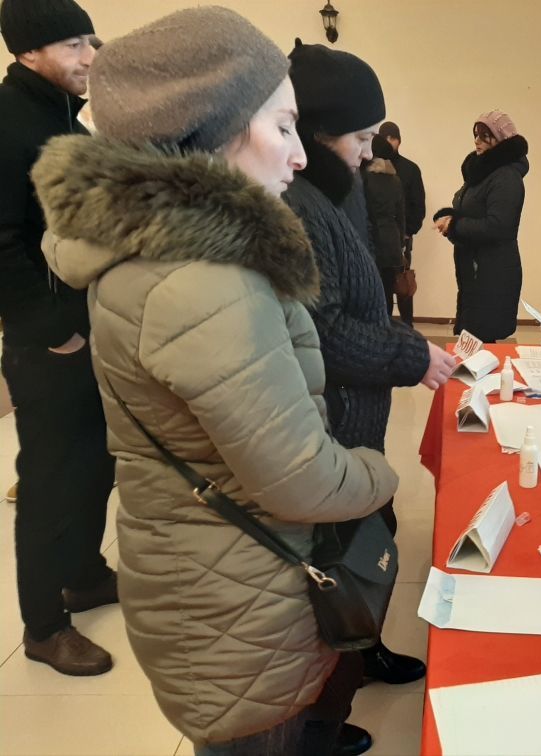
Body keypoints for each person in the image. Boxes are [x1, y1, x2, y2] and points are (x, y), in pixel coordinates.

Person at [32, 8, 399, 754]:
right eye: (284, 127)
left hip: (213, 579)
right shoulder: (204, 279)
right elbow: (299, 478)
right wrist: (379, 474)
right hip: (231, 597)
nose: (299, 157)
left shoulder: (166, 255)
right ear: (213, 129)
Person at [284, 41, 457, 754]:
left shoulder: (339, 186)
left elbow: (362, 294)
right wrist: (410, 352)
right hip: (327, 421)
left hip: (362, 414)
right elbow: (320, 331)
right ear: (315, 135)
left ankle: (367, 650)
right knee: (338, 558)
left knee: (374, 537)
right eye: (358, 138)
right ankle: (322, 711)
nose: (368, 152)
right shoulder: (295, 207)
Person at [0, 0, 116, 676]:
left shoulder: (63, 118)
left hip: (84, 328)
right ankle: (44, 624)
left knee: (94, 462)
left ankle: (86, 573)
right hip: (49, 342)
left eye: (90, 41)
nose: (90, 57)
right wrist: (53, 334)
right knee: (48, 480)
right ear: (29, 50)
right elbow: (4, 245)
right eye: (74, 43)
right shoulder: (10, 121)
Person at [433, 110, 528, 343]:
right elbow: (472, 211)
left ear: (501, 139)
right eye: (476, 134)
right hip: (476, 270)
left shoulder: (506, 177)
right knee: (473, 341)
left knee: (482, 342)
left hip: (492, 273)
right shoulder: (482, 172)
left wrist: (455, 225)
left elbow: (498, 226)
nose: (477, 140)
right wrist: (449, 218)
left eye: (485, 135)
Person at [379, 121, 425, 326]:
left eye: (393, 138)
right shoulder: (369, 168)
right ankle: (385, 331)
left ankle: (408, 329)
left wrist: (407, 232)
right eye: (385, 138)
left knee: (403, 286)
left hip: (402, 241)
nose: (389, 142)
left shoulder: (410, 169)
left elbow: (418, 206)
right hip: (376, 242)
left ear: (399, 140)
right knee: (382, 291)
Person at [363, 135, 406, 317]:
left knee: (370, 289)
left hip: (370, 239)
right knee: (388, 290)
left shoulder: (364, 179)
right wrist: (400, 243)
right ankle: (387, 327)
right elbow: (401, 216)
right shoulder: (395, 180)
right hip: (391, 241)